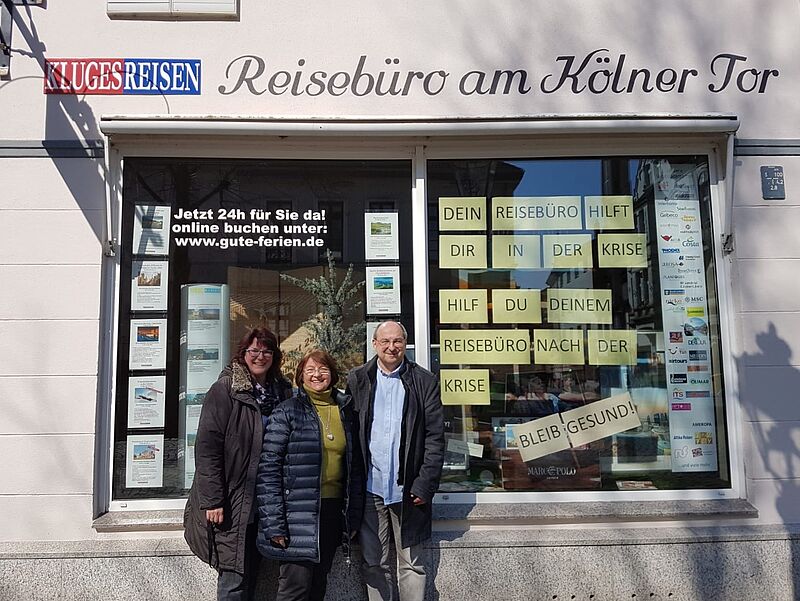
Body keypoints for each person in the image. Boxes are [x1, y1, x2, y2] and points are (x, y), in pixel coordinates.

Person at [183, 326, 292, 601]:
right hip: (232, 501)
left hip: (265, 500)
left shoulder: (282, 391)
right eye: (254, 350)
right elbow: (207, 449)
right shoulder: (225, 390)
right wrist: (213, 500)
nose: (260, 356)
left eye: (267, 351)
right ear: (243, 354)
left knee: (253, 572)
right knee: (234, 577)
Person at [346, 320, 445, 601]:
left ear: (405, 344)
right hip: (370, 487)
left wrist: (424, 484)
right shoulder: (358, 379)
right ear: (375, 344)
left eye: (398, 341)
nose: (392, 347)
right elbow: (352, 434)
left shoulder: (424, 381)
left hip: (409, 490)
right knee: (373, 562)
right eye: (385, 341)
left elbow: (435, 437)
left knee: (412, 563)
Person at [256, 349, 364, 601]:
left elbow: (355, 469)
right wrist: (274, 524)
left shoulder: (345, 411)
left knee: (318, 585)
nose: (317, 375)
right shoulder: (287, 411)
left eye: (323, 369)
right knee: (295, 589)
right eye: (310, 370)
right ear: (301, 376)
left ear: (333, 374)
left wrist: (353, 518)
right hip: (296, 515)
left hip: (331, 512)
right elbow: (268, 469)